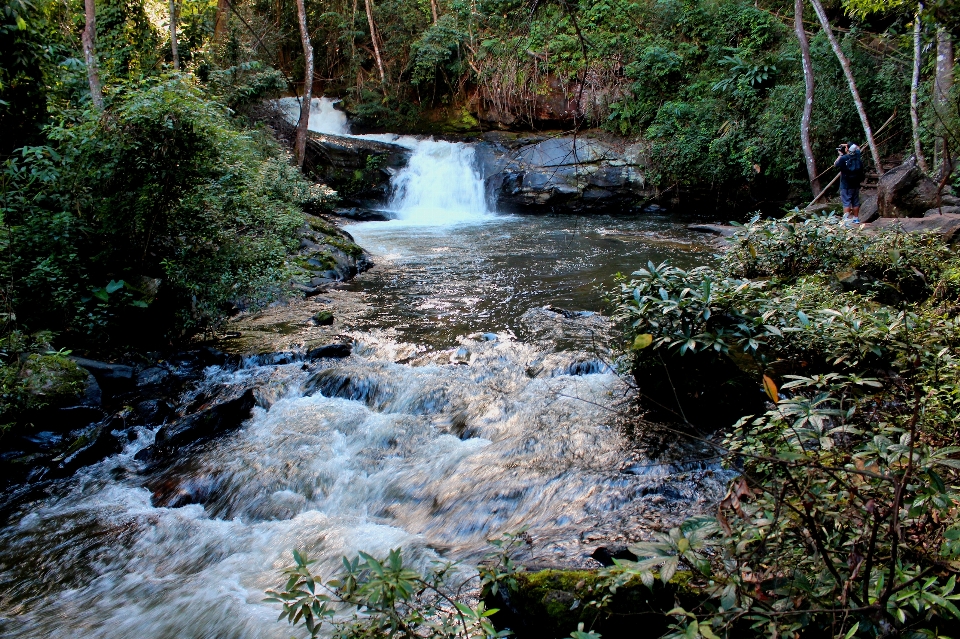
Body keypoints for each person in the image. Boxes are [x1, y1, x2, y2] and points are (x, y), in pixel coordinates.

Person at [834, 143, 863, 224]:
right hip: (856, 183)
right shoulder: (857, 156)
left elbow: (835, 164)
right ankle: (856, 218)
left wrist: (840, 155)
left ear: (847, 149)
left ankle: (846, 219)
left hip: (846, 184)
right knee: (855, 201)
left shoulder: (844, 158)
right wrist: (847, 145)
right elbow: (857, 147)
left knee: (846, 201)